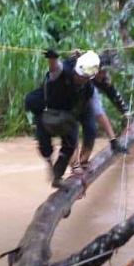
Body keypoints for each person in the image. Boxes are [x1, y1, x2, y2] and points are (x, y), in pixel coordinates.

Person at [24, 49, 101, 188]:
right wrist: (52, 58)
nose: (80, 79)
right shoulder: (64, 70)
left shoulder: (88, 88)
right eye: (78, 75)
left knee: (70, 145)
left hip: (67, 115)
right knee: (45, 146)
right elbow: (55, 67)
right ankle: (49, 165)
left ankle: (57, 175)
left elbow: (87, 118)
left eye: (83, 78)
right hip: (47, 110)